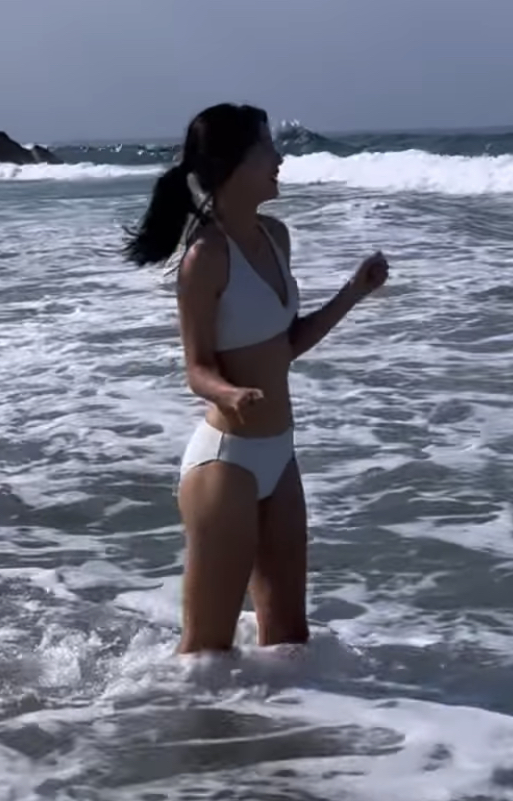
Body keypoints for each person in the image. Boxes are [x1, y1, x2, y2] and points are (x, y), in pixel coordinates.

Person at [124, 103, 389, 653]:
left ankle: (285, 713)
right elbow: (197, 368)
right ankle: (171, 711)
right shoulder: (205, 258)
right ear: (233, 163)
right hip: (226, 462)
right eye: (266, 148)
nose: (279, 158)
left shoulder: (275, 236)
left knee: (290, 641)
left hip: (279, 456)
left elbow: (285, 344)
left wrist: (353, 293)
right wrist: (229, 393)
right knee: (206, 652)